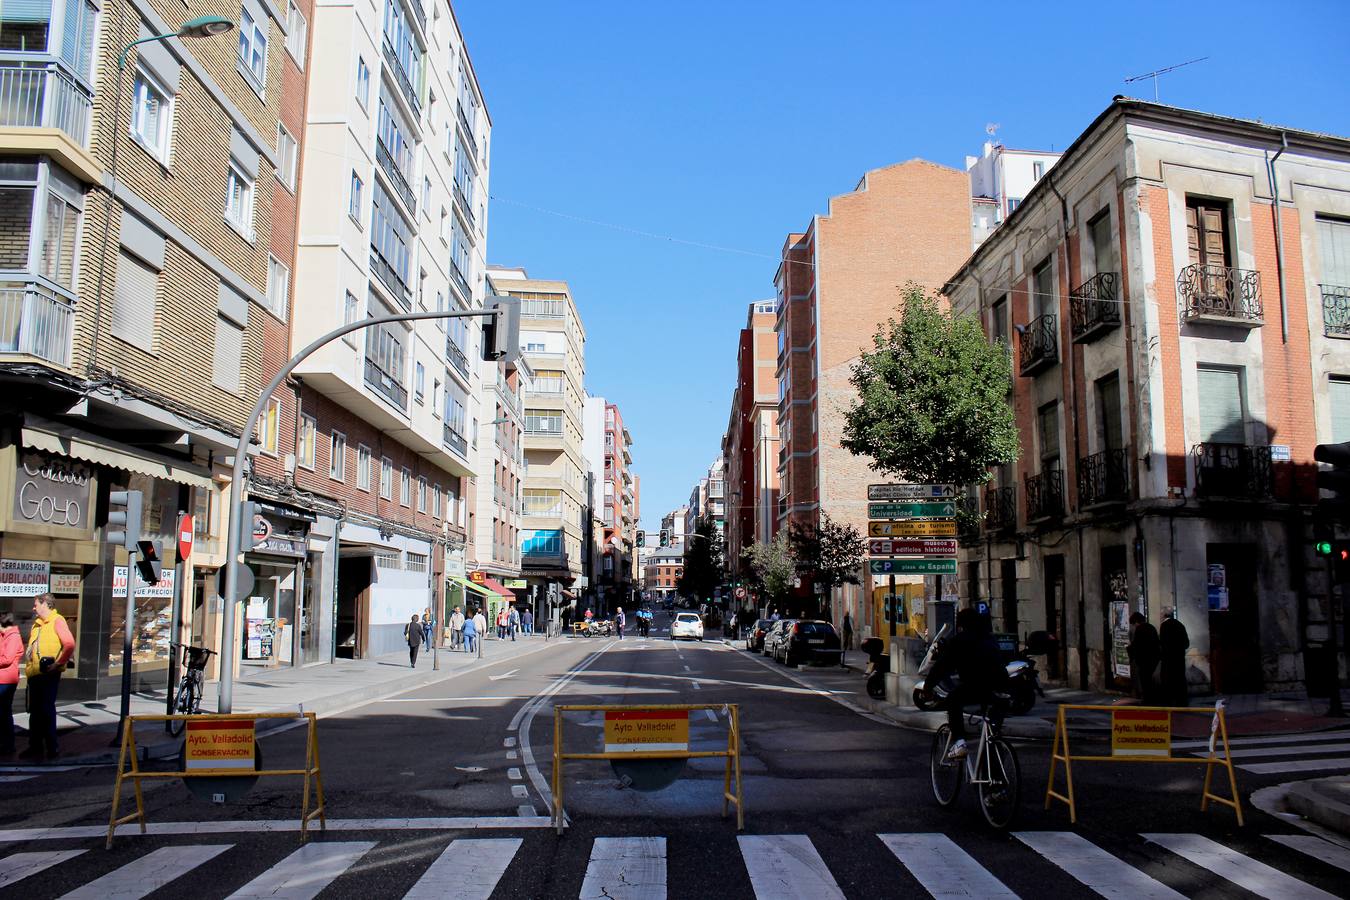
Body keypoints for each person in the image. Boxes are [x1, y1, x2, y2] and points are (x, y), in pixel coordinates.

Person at [927, 607, 1008, 760]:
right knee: (992, 731)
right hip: (1001, 686)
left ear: (961, 624)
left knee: (953, 700)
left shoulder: (959, 640)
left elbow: (942, 666)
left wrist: (928, 685)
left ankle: (959, 742)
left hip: (977, 685)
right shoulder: (990, 638)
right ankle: (994, 774)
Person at [21, 593, 75, 760]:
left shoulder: (57, 621)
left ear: (45, 604)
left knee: (46, 710)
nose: (33, 607)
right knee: (35, 712)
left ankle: (52, 747)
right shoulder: (37, 625)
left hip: (48, 674)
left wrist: (57, 664)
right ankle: (35, 746)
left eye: (36, 604)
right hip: (35, 674)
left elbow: (69, 644)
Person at [0, 612, 23, 756]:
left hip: (6, 680)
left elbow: (7, 659)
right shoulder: (4, 636)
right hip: (2, 678)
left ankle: (8, 744)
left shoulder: (13, 637)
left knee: (4, 712)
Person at [1128, 611, 1162, 704]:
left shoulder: (1140, 629)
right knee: (1150, 681)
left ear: (1136, 622)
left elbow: (1137, 645)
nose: (1134, 626)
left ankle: (1148, 700)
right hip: (1154, 659)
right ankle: (1152, 699)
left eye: (1133, 624)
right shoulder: (1151, 627)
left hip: (1144, 660)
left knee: (1145, 681)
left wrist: (1130, 648)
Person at [1159, 609, 1190, 707]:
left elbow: (1162, 643)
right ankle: (1182, 701)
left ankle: (1169, 701)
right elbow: (1186, 643)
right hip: (1179, 658)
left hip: (1168, 658)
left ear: (1164, 616)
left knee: (1168, 680)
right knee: (1180, 679)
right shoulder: (1180, 625)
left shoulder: (1164, 626)